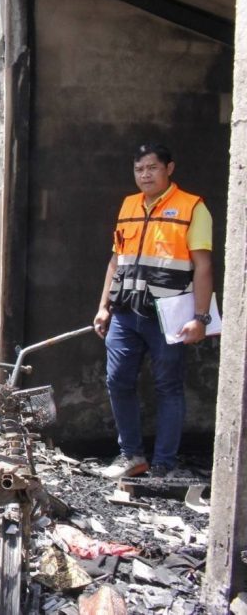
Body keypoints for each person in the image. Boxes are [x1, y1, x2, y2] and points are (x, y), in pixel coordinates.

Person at [93, 143, 213, 479]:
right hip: (125, 313)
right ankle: (132, 456)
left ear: (169, 169)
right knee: (118, 381)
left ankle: (164, 464)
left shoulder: (192, 207)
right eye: (139, 169)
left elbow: (203, 266)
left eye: (152, 168)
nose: (145, 175)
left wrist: (200, 318)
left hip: (168, 315)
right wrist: (103, 307)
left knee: (168, 387)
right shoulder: (129, 205)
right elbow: (116, 260)